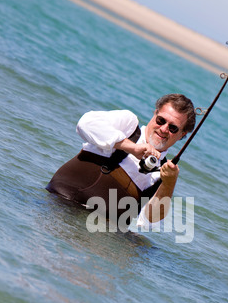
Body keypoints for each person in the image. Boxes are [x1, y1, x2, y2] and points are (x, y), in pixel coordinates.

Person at [46, 94, 196, 230]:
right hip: (58, 205)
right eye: (161, 120)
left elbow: (149, 222)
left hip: (100, 235)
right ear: (154, 114)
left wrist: (169, 183)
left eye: (173, 128)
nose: (163, 129)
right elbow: (85, 123)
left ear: (182, 134)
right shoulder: (128, 125)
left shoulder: (164, 173)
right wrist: (130, 147)